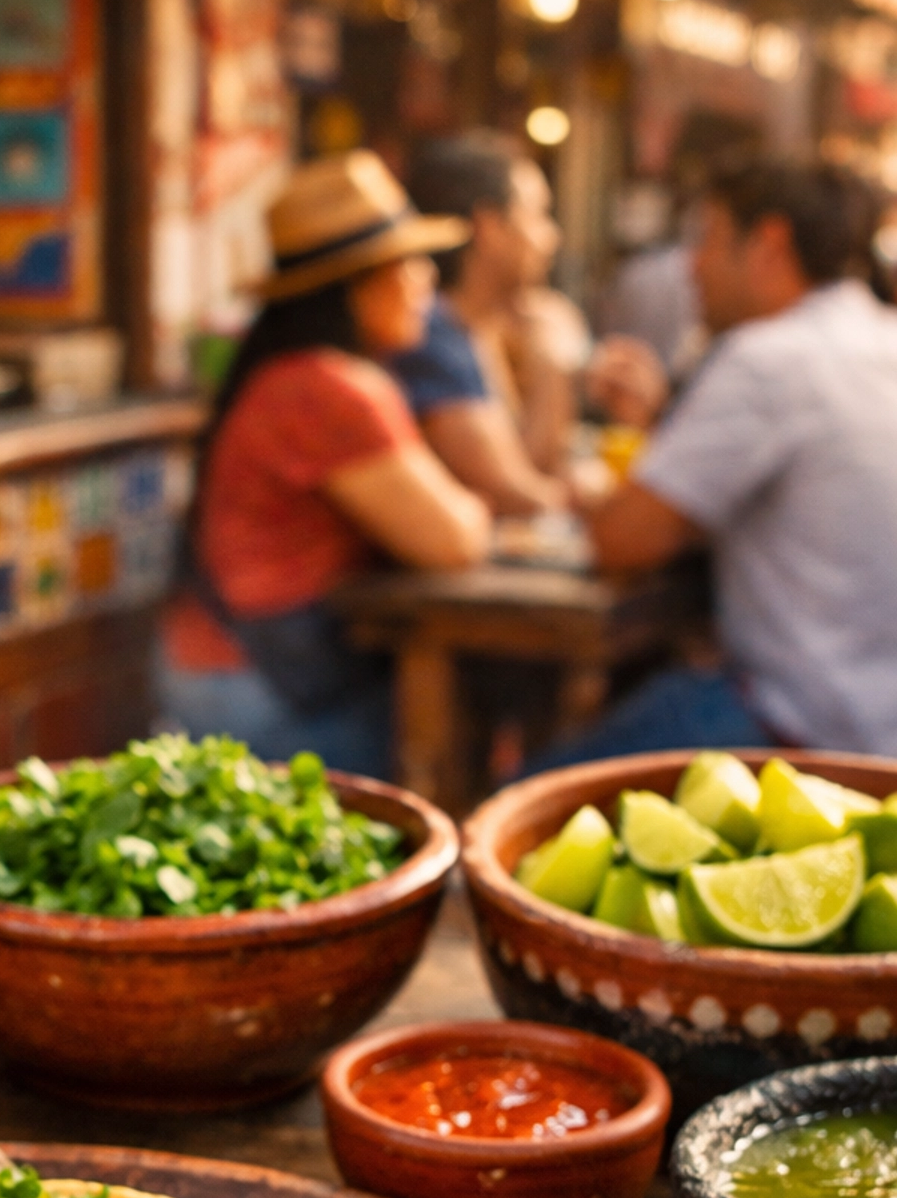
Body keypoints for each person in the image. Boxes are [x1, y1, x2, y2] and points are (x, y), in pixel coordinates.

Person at [547, 160, 897, 760]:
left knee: (514, 807)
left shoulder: (770, 358)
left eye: (707, 238)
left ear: (769, 244)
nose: (692, 265)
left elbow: (622, 541)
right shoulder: (878, 335)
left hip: (809, 719)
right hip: (877, 708)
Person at [158, 150, 490, 774]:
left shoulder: (288, 374)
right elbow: (454, 540)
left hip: (225, 674)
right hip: (258, 692)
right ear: (361, 283)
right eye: (410, 264)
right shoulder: (331, 389)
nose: (426, 282)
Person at [394, 132, 577, 516]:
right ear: (489, 227)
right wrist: (553, 359)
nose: (551, 237)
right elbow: (512, 493)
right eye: (539, 214)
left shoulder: (472, 329)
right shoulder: (430, 334)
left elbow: (523, 467)